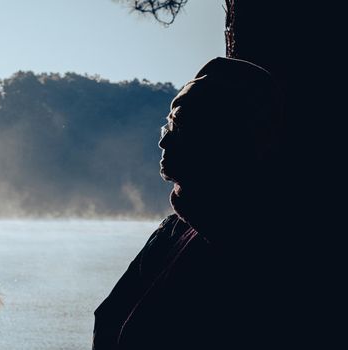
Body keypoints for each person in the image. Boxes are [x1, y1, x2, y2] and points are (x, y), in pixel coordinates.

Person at [92, 57, 283, 349]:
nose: (163, 142)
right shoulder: (173, 230)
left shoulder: (262, 245)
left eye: (180, 126)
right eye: (167, 127)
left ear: (224, 136)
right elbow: (108, 320)